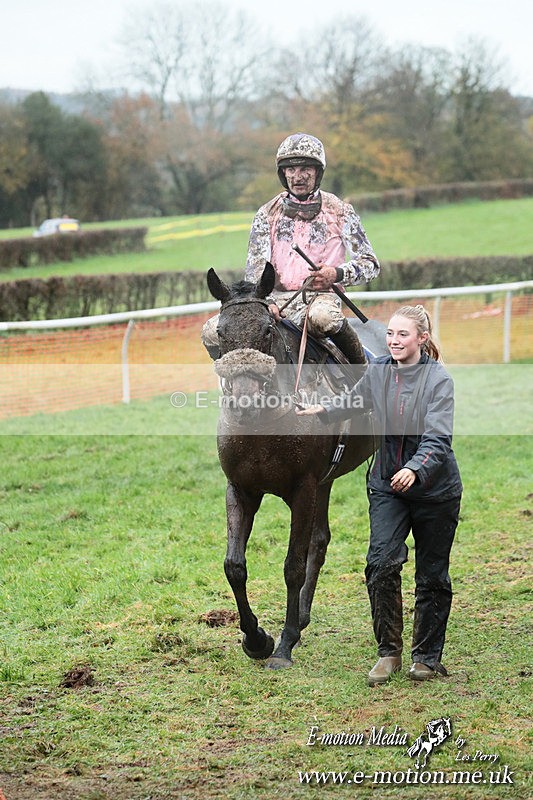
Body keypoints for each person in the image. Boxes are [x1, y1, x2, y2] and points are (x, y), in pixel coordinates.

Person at [297, 305, 463, 685]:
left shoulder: (439, 381)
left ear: (422, 338)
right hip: (388, 484)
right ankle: (388, 653)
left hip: (435, 490)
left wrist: (415, 468)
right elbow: (354, 401)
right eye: (390, 334)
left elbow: (438, 439)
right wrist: (322, 409)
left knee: (432, 575)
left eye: (402, 335)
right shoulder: (379, 371)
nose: (393, 341)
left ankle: (426, 658)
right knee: (381, 564)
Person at [202, 132, 380, 362]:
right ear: (283, 173)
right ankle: (233, 389)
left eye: (306, 168)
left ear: (318, 172)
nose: (298, 176)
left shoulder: (340, 211)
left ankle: (364, 376)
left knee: (324, 317)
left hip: (321, 299)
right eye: (291, 170)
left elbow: (371, 264)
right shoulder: (266, 214)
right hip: (273, 302)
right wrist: (268, 302)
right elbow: (256, 272)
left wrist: (335, 274)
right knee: (210, 331)